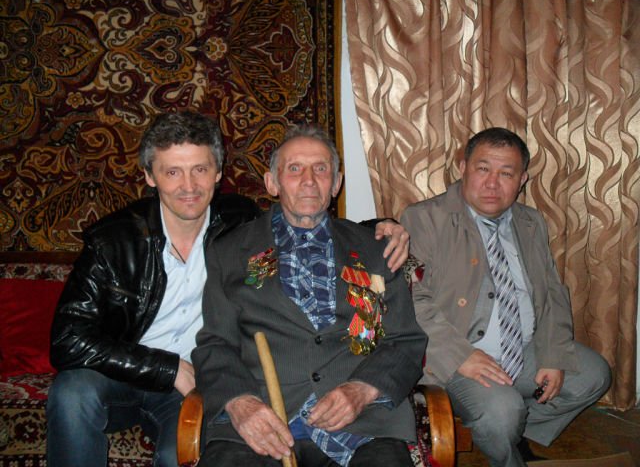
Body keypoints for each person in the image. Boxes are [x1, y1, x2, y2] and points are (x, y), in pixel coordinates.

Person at [47, 112, 409, 467]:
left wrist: (384, 227)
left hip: (199, 385)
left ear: (218, 173)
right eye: (172, 172)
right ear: (149, 176)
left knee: (178, 455)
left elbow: (309, 220)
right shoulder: (114, 241)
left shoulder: (236, 222)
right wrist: (171, 370)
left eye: (200, 170)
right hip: (134, 371)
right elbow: (68, 338)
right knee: (72, 392)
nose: (189, 186)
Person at [192, 124, 427, 467]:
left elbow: (405, 340)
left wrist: (362, 390)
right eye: (294, 169)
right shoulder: (228, 252)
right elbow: (215, 345)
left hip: (362, 426)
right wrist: (241, 403)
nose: (308, 180)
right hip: (260, 425)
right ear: (272, 183)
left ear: (336, 183)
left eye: (320, 169)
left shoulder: (377, 250)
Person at [401, 127, 611, 467]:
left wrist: (553, 354)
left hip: (523, 349)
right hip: (459, 356)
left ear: (522, 179)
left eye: (506, 173)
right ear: (463, 168)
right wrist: (460, 356)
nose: (492, 184)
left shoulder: (531, 221)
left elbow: (551, 293)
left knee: (594, 376)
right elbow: (412, 299)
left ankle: (514, 434)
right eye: (483, 169)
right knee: (502, 412)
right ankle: (507, 446)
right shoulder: (424, 218)